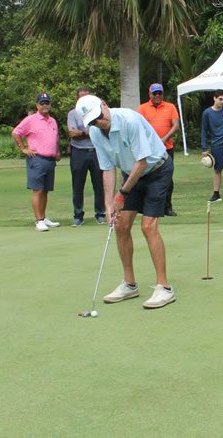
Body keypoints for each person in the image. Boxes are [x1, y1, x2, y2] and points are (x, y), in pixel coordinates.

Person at [75, 94, 177, 309]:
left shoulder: (129, 120)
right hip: (131, 174)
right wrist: (109, 204)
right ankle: (130, 284)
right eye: (93, 121)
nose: (98, 122)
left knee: (148, 226)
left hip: (157, 170)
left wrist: (121, 195)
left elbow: (142, 161)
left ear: (104, 105)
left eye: (99, 116)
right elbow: (107, 168)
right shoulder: (95, 132)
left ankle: (164, 287)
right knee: (120, 224)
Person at [11, 91, 61, 232]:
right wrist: (23, 148)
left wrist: (57, 151)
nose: (45, 106)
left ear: (50, 104)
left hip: (50, 160)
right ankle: (39, 221)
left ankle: (43, 218)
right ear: (37, 105)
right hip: (37, 159)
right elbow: (16, 133)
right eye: (42, 103)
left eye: (47, 103)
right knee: (38, 190)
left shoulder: (53, 120)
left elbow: (55, 138)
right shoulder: (31, 120)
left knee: (45, 190)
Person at [137, 83, 180, 216]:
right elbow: (138, 126)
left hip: (167, 148)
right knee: (146, 176)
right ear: (149, 94)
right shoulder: (142, 108)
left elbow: (176, 125)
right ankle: (146, 206)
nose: (157, 96)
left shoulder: (170, 107)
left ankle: (167, 207)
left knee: (168, 178)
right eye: (154, 93)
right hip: (149, 150)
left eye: (159, 93)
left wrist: (164, 138)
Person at [67, 87, 106, 226]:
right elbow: (72, 133)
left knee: (99, 184)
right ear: (77, 99)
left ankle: (100, 214)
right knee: (78, 185)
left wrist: (82, 133)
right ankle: (78, 215)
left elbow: (100, 130)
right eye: (81, 97)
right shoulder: (72, 113)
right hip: (78, 152)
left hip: (96, 151)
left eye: (87, 97)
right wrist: (88, 132)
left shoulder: (98, 113)